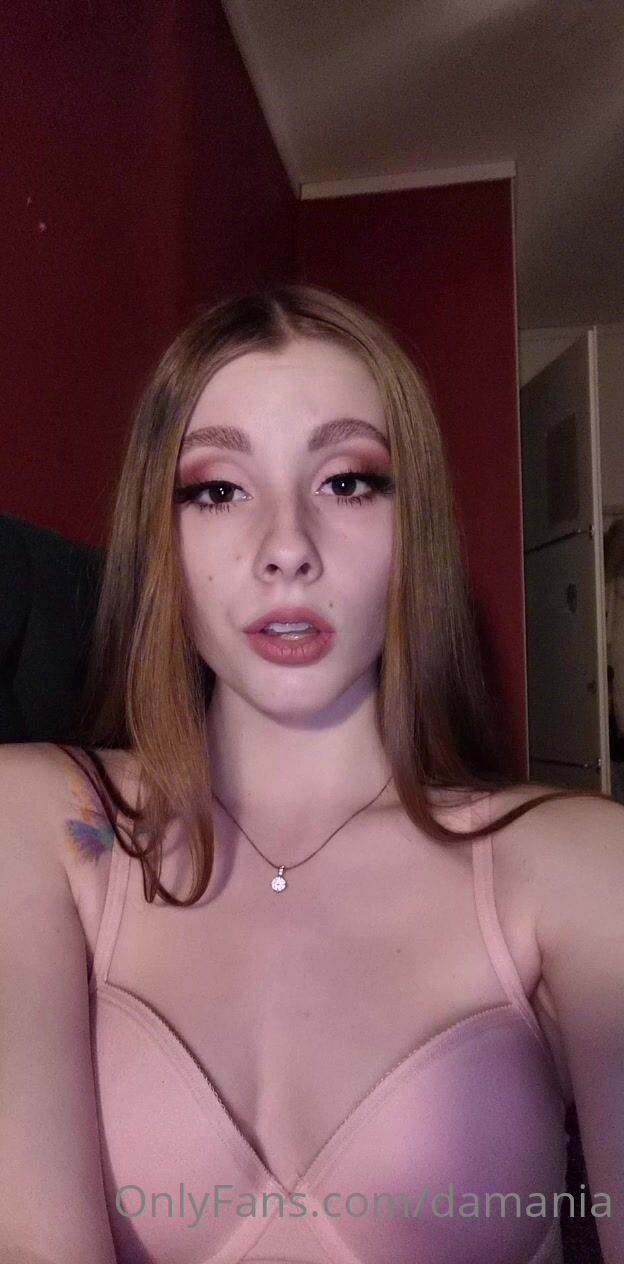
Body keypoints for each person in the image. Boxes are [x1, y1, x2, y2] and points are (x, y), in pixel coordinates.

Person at [1, 284, 622, 1264]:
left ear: (413, 526)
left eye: (347, 482)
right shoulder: (40, 819)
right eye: (217, 489)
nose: (286, 548)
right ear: (161, 535)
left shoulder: (581, 861)